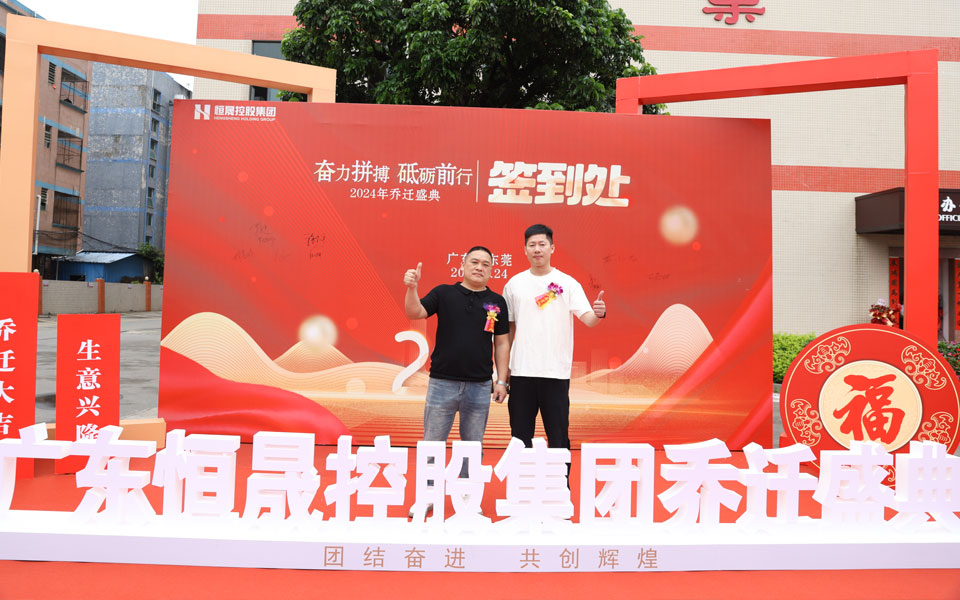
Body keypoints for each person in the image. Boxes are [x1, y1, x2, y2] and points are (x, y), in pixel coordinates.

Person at [403, 246, 509, 514]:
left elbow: (502, 343)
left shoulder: (496, 301)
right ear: (462, 265)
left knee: (473, 447)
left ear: (491, 269)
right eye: (474, 262)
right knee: (432, 444)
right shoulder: (444, 293)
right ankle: (427, 495)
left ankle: (467, 497)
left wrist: (501, 381)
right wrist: (412, 288)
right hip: (442, 383)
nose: (479, 267)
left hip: (480, 385)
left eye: (486, 264)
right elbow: (415, 312)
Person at [503, 224, 605, 461]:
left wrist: (599, 314)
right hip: (521, 372)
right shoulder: (514, 284)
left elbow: (589, 319)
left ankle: (561, 483)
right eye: (532, 245)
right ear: (525, 250)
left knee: (558, 437)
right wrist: (503, 368)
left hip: (555, 374)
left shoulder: (567, 283)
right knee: (519, 438)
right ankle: (522, 482)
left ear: (552, 248)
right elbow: (508, 330)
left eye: (542, 244)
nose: (537, 249)